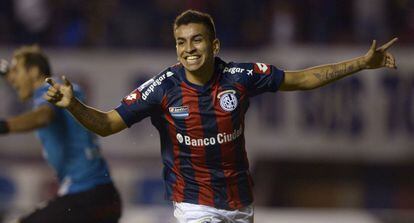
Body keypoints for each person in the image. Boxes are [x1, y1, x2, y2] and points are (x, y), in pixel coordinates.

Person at [44, 10, 397, 223]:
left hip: (240, 202)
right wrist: (73, 105)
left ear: (214, 46)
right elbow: (107, 124)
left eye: (197, 40)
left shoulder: (240, 77)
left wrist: (361, 64)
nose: (188, 49)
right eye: (181, 42)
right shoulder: (162, 88)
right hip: (194, 205)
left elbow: (302, 79)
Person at [0, 46, 121, 223]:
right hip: (102, 197)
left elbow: (44, 116)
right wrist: (6, 71)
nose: (13, 80)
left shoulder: (50, 91)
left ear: (33, 72)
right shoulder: (65, 89)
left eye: (17, 71)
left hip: (87, 197)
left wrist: (4, 126)